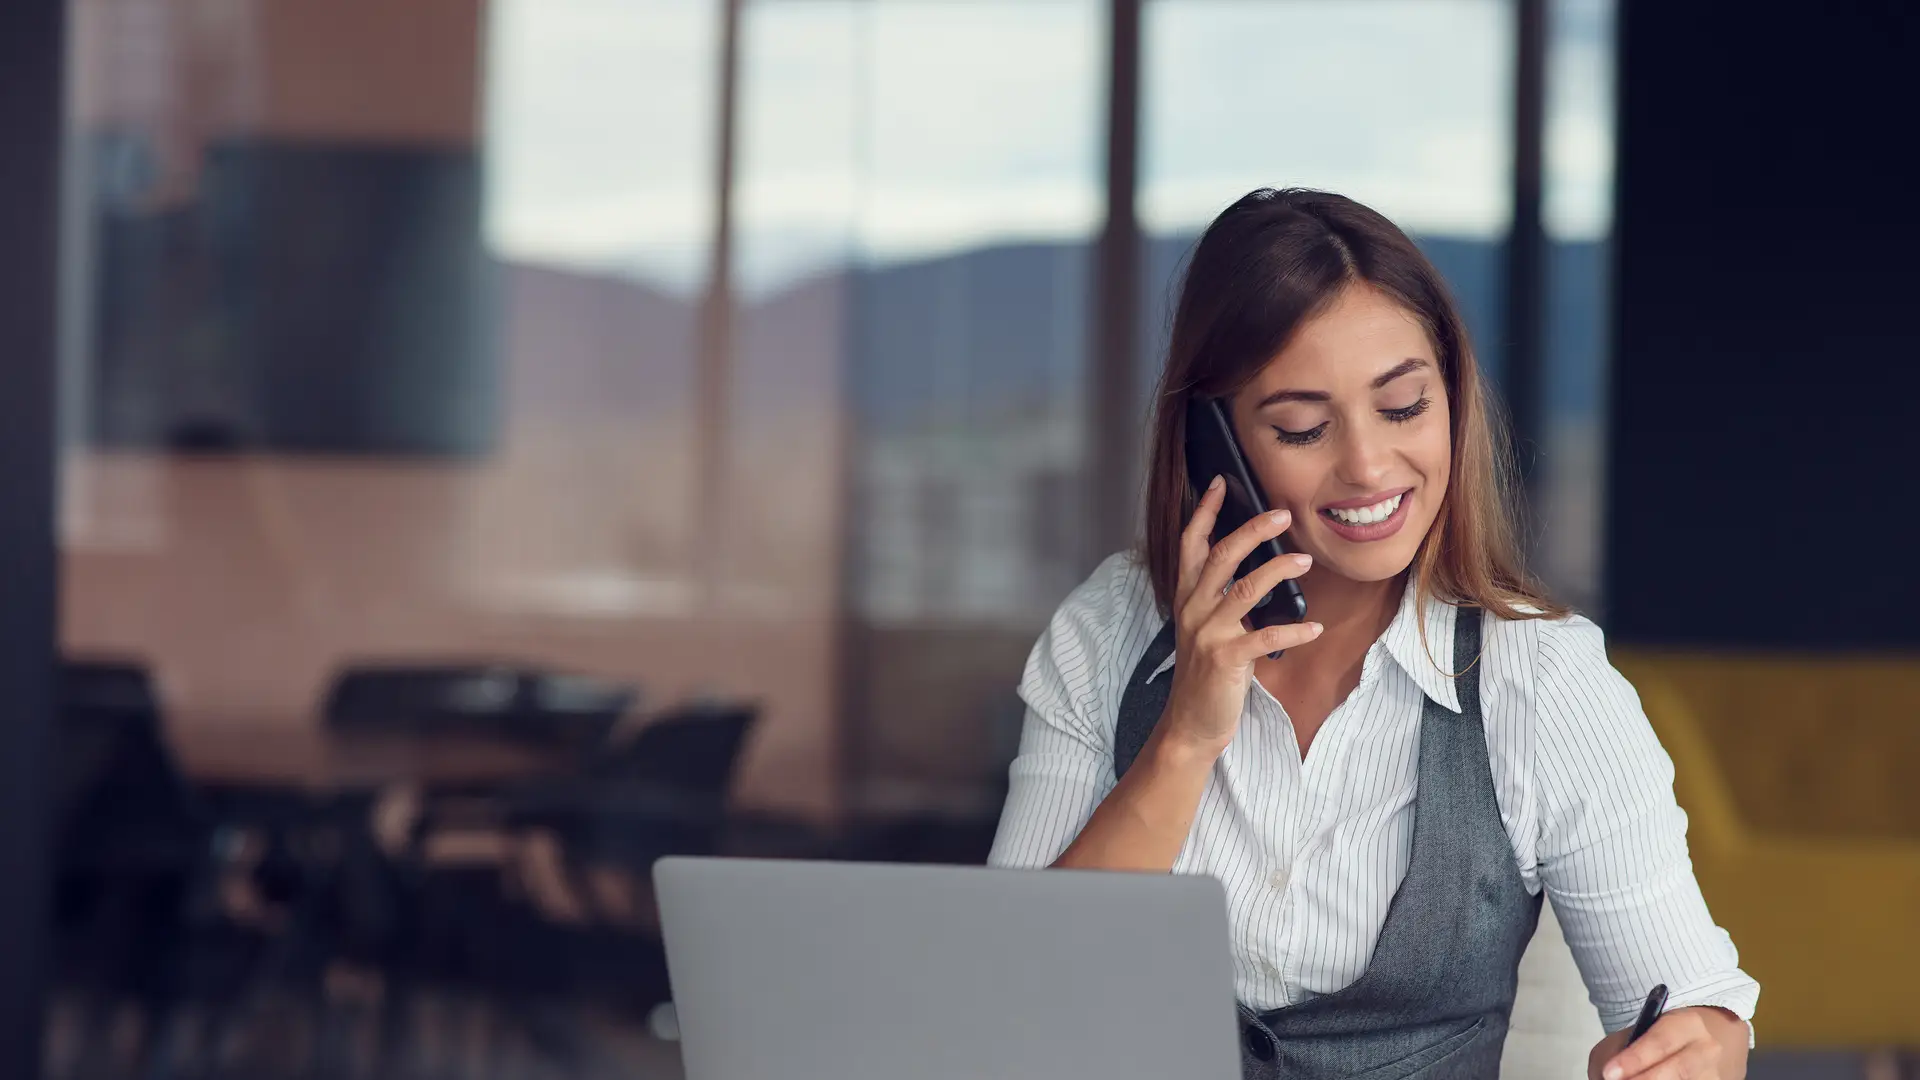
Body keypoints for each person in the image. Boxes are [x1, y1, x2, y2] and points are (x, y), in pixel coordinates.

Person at [987, 189, 1757, 1080]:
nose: (1367, 465)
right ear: (1212, 445)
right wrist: (1187, 739)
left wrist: (1696, 1047)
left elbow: (1699, 1014)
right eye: (1303, 428)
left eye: (1402, 409)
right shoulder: (1109, 631)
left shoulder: (1542, 680)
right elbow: (1018, 1001)